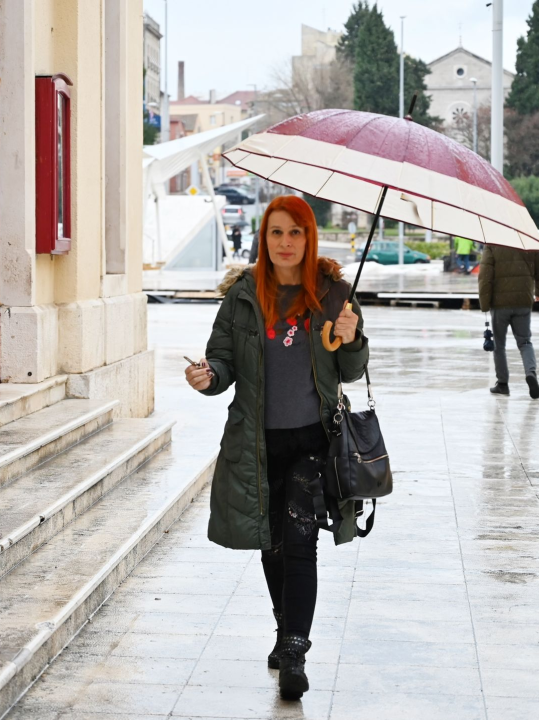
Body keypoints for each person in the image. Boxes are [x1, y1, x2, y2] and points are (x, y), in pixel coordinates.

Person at [184, 196, 369, 701]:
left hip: (315, 441)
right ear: (264, 239)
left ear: (310, 239)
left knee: (300, 538)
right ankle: (283, 621)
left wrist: (351, 339)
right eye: (276, 233)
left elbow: (350, 371)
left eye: (296, 233)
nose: (285, 242)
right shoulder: (244, 294)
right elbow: (223, 363)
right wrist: (207, 376)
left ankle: (293, 651)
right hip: (257, 444)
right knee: (272, 543)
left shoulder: (334, 296)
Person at [478, 244, 539, 398]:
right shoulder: (527, 242)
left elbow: (485, 276)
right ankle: (531, 372)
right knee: (525, 342)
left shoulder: (493, 245)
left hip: (499, 302)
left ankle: (502, 384)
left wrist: (484, 303)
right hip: (523, 301)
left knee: (499, 344)